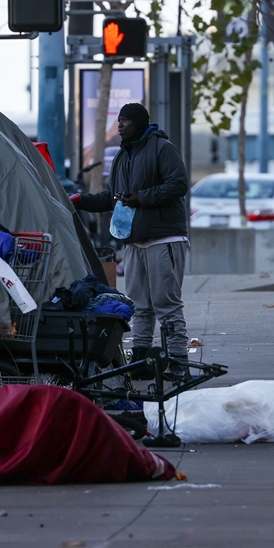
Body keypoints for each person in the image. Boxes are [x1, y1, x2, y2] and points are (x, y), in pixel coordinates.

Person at [72, 103, 192, 380]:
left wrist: (142, 197)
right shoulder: (122, 157)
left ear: (138, 122)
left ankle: (179, 362)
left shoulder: (162, 148)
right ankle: (141, 361)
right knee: (139, 305)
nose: (120, 124)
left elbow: (179, 184)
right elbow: (113, 197)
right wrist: (80, 201)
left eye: (125, 120)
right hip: (134, 241)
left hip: (163, 238)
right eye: (119, 120)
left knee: (166, 303)